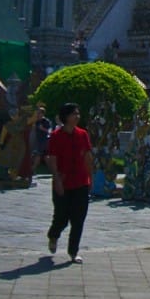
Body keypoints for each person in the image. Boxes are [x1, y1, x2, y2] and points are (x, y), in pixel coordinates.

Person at [46, 102, 93, 264]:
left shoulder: (82, 134)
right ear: (66, 117)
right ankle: (53, 235)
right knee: (61, 217)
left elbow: (87, 157)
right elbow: (52, 159)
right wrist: (57, 180)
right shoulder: (56, 136)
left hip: (81, 181)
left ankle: (73, 251)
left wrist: (91, 178)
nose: (77, 117)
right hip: (63, 182)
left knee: (78, 219)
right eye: (74, 114)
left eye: (78, 114)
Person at [30, 104, 52, 183]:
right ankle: (52, 170)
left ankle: (32, 170)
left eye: (39, 113)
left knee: (38, 156)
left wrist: (43, 129)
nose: (38, 114)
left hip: (44, 141)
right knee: (45, 156)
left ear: (43, 113)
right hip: (38, 140)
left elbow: (49, 131)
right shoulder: (36, 121)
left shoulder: (46, 121)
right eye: (37, 113)